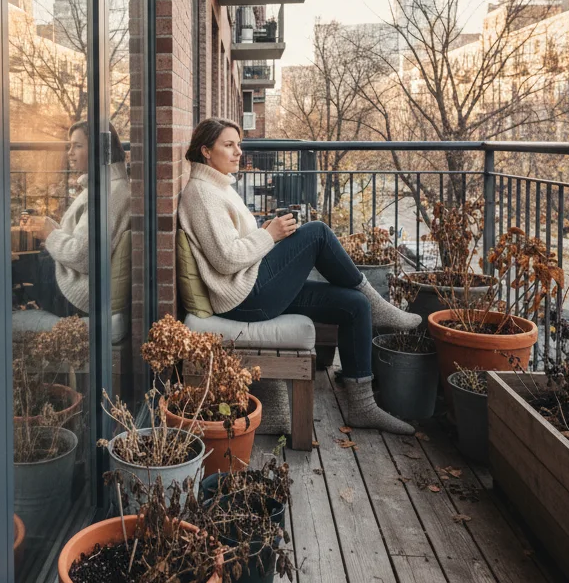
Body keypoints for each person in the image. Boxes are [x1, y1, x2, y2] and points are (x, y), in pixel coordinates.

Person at [177, 118, 420, 432]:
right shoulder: (202, 194)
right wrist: (271, 236)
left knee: (353, 306)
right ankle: (381, 306)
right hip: (244, 298)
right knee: (317, 233)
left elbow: (234, 246)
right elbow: (226, 259)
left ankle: (362, 407)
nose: (239, 152)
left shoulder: (218, 186)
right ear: (206, 151)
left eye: (239, 144)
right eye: (229, 145)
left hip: (252, 283)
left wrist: (265, 233)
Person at [25, 121, 131, 315]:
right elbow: (85, 240)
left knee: (5, 263)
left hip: (74, 293)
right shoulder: (107, 187)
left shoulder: (108, 194)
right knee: (17, 259)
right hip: (71, 280)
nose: (70, 152)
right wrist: (51, 230)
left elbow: (82, 256)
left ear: (98, 149)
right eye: (69, 146)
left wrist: (51, 235)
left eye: (78, 146)